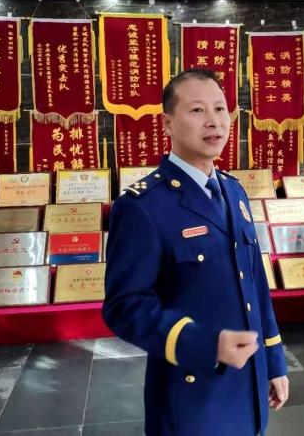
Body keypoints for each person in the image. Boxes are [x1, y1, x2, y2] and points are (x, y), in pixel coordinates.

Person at [103, 68, 289, 436]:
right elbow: (124, 306)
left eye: (220, 109)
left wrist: (274, 361)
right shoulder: (143, 206)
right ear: (167, 123)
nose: (214, 121)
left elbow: (255, 285)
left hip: (249, 385)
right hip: (190, 395)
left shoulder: (234, 191)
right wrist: (205, 344)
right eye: (197, 110)